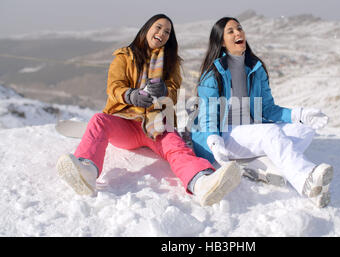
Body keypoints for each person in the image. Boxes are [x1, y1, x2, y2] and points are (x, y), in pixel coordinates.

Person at [56, 14, 242, 207]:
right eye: (158, 27)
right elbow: (114, 86)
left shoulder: (171, 63)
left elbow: (173, 93)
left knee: (175, 145)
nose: (162, 33)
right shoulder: (124, 56)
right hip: (127, 122)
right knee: (99, 120)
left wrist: (164, 91)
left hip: (156, 123)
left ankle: (201, 182)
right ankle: (87, 172)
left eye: (167, 32)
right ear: (147, 29)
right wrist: (130, 95)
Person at [191, 17, 334, 208]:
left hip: (250, 130)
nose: (238, 33)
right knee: (270, 134)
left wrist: (299, 115)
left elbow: (268, 109)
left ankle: (264, 166)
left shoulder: (256, 68)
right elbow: (207, 116)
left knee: (304, 130)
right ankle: (306, 179)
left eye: (239, 28)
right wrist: (214, 140)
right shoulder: (212, 74)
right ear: (221, 42)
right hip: (222, 135)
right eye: (230, 31)